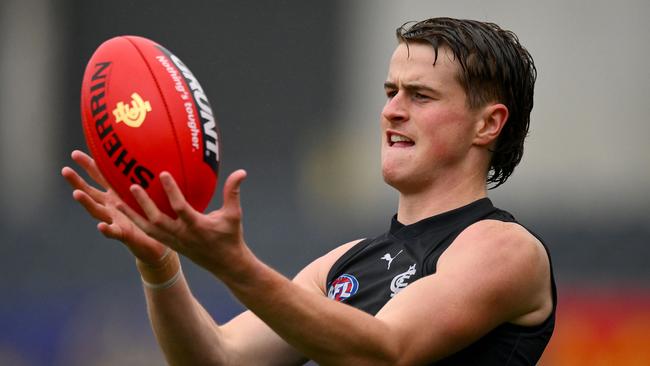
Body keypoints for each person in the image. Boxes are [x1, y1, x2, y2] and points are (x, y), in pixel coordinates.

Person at [62, 17, 555, 365]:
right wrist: (160, 263)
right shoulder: (341, 265)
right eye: (390, 92)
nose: (391, 111)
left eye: (420, 95)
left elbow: (385, 350)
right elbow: (219, 359)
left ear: (487, 125)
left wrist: (234, 265)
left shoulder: (504, 249)